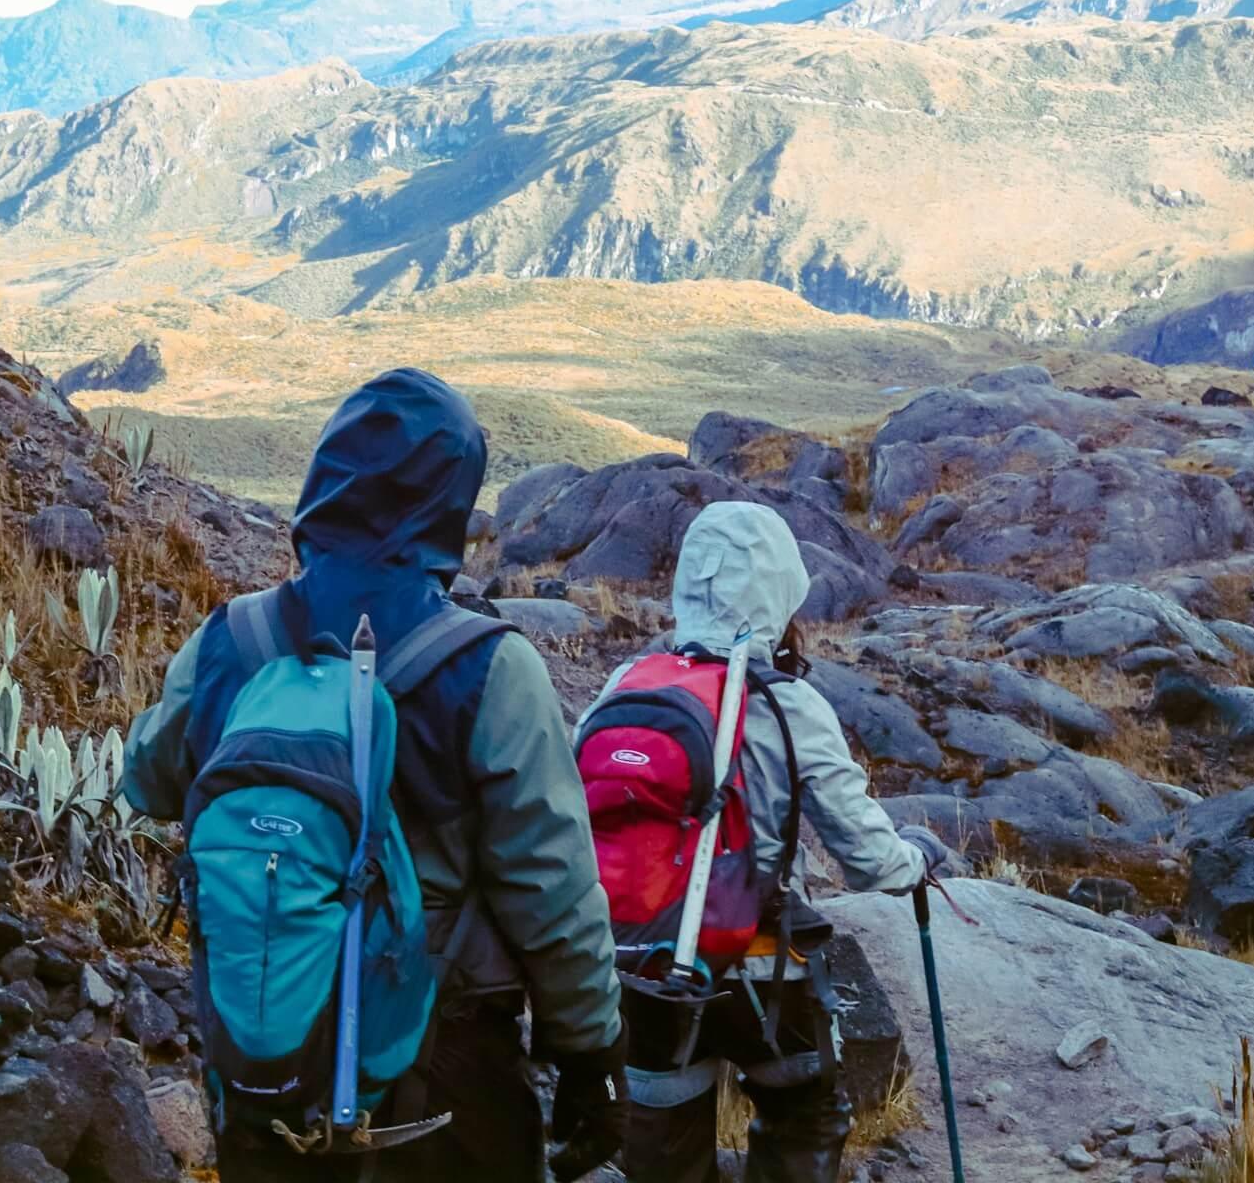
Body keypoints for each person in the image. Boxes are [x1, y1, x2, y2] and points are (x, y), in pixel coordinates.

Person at [123, 369, 629, 1183]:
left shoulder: (230, 640)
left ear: (323, 481)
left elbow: (147, 781)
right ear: (452, 506)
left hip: (269, 1051)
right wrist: (591, 1049)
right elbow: (553, 890)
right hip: (441, 1067)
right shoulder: (491, 666)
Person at [580, 501, 950, 1183]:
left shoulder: (624, 686)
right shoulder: (787, 702)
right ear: (781, 592)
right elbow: (872, 863)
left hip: (642, 965)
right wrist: (918, 858)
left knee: (661, 1147)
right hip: (761, 971)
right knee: (803, 1116)